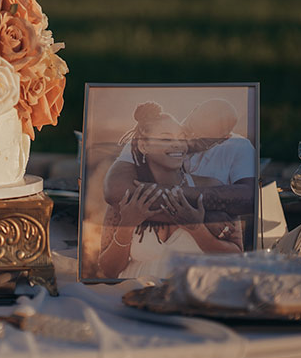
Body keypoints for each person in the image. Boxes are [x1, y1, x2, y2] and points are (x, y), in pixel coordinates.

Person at [96, 102, 243, 279]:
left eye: (182, 138)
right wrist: (127, 227)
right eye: (166, 139)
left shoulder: (213, 187)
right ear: (143, 146)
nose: (178, 145)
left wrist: (197, 229)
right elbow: (109, 270)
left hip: (192, 292)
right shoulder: (127, 195)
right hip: (135, 290)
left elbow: (237, 258)